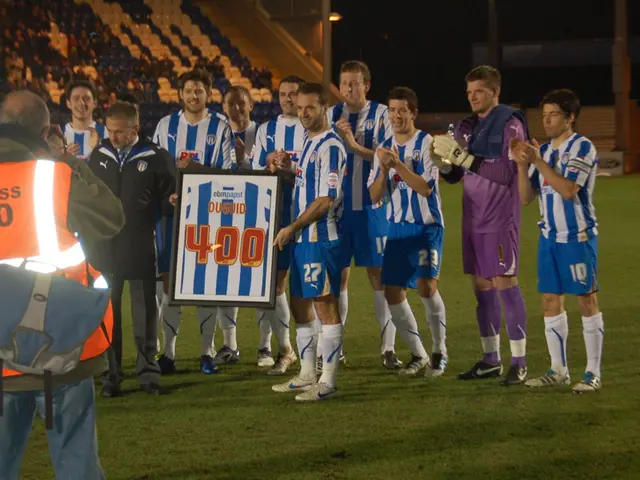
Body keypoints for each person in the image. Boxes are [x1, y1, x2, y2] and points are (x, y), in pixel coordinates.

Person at [0, 90, 124, 479]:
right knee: (76, 462)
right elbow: (110, 219)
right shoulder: (54, 174)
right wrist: (67, 161)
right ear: (45, 129)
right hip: (59, 342)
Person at [430, 65, 530, 385]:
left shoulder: (511, 124)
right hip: (472, 219)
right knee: (482, 290)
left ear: (495, 92)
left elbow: (506, 175)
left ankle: (520, 361)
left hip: (500, 219)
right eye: (469, 93)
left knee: (505, 285)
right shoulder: (467, 126)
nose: (473, 98)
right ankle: (491, 359)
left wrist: (464, 157)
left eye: (480, 92)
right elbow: (457, 175)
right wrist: (443, 166)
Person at [510, 89, 603, 393]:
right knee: (550, 301)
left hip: (577, 237)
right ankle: (558, 369)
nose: (546, 120)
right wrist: (522, 165)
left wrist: (537, 160)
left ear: (570, 117)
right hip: (549, 237)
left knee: (586, 300)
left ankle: (592, 372)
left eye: (554, 115)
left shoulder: (582, 147)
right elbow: (525, 198)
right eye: (544, 114)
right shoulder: (546, 151)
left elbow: (567, 189)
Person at [86, 101, 176, 397]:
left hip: (139, 245)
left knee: (145, 313)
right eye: (109, 130)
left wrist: (171, 203)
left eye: (120, 132)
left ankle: (148, 374)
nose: (113, 136)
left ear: (135, 129)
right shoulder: (98, 155)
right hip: (103, 249)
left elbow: (168, 198)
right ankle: (111, 377)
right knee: (106, 315)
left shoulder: (156, 157)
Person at [153, 69, 237, 374]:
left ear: (209, 95)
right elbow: (156, 172)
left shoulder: (220, 125)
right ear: (180, 94)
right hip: (170, 217)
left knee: (203, 285)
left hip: (207, 216)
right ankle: (169, 354)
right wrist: (168, 197)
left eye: (199, 91)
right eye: (188, 90)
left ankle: (206, 352)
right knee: (169, 284)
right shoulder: (165, 126)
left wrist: (196, 168)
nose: (193, 96)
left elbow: (228, 173)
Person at [271, 83, 347, 401]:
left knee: (325, 306)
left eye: (309, 108)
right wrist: (289, 168)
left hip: (321, 237)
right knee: (302, 305)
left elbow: (326, 199)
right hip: (304, 239)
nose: (302, 113)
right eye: (299, 107)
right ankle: (306, 373)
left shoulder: (330, 145)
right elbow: (306, 181)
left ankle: (327, 380)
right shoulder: (308, 139)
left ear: (324, 108)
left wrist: (293, 226)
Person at [368, 87, 448, 377]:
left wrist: (398, 165)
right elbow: (375, 196)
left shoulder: (428, 144)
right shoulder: (383, 147)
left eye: (402, 110)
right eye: (391, 110)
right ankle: (419, 354)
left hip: (426, 226)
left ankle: (440, 351)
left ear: (413, 113)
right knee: (392, 292)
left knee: (427, 288)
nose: (396, 115)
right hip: (397, 228)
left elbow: (426, 188)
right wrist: (383, 170)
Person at [328, 60, 400, 369]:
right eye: (344, 83)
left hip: (372, 208)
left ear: (366, 86)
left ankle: (388, 348)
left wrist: (354, 145)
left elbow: (387, 157)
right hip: (339, 210)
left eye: (355, 83)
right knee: (338, 278)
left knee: (379, 278)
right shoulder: (333, 114)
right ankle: (335, 349)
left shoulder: (382, 114)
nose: (349, 88)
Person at [249, 75, 306, 375]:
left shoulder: (311, 129)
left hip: (309, 215)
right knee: (276, 284)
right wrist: (270, 165)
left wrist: (292, 168)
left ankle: (320, 350)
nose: (288, 99)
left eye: (293, 94)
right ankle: (286, 350)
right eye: (283, 94)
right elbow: (256, 170)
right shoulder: (266, 130)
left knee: (313, 286)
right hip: (277, 214)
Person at [62, 79, 108, 161]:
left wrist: (97, 150)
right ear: (68, 103)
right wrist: (63, 158)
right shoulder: (59, 134)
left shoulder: (106, 133)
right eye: (76, 98)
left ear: (95, 103)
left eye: (86, 98)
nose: (82, 103)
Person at [223, 85, 258, 170]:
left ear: (251, 105)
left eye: (241, 103)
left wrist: (243, 158)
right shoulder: (218, 133)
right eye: (231, 104)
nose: (237, 108)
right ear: (224, 107)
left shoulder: (262, 132)